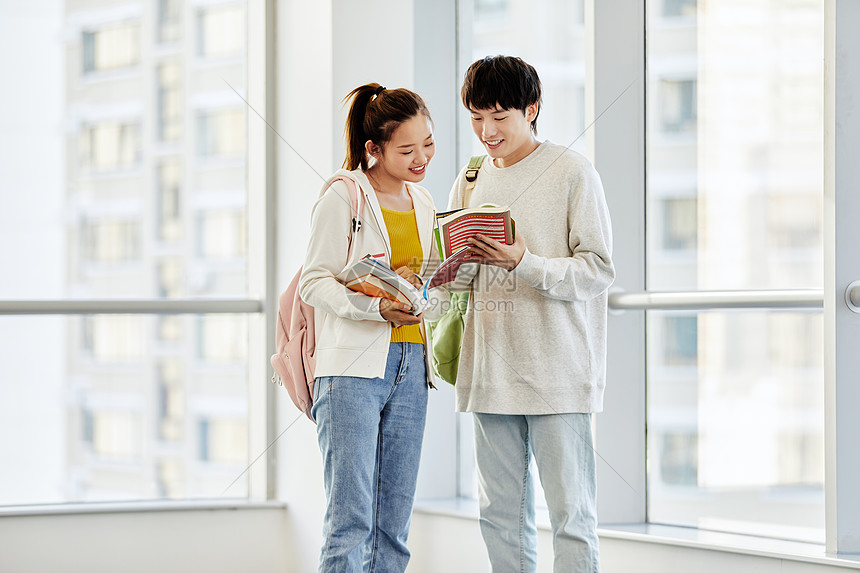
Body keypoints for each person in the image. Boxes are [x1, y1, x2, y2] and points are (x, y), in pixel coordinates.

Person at [450, 56, 615, 572]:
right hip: (489, 372)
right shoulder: (471, 177)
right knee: (499, 518)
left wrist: (524, 262)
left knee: (571, 519)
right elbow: (456, 280)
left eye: (500, 117)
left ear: (532, 109)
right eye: (477, 117)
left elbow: (598, 270)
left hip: (558, 374)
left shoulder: (571, 171)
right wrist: (447, 266)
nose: (487, 131)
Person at [299, 83, 447, 572]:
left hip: (411, 368)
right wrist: (376, 309)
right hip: (352, 372)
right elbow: (313, 282)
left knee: (394, 529)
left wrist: (429, 299)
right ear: (374, 149)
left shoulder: (424, 202)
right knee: (351, 523)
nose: (422, 156)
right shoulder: (343, 196)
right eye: (407, 149)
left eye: (427, 142)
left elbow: (433, 280)